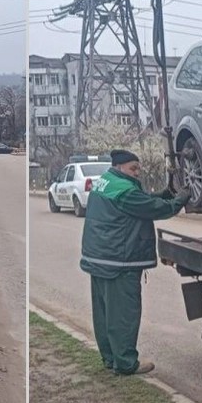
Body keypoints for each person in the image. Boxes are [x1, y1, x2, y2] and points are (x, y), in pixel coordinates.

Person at [80, 149, 189, 375]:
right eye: (133, 168)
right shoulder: (124, 191)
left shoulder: (105, 182)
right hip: (119, 261)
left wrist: (162, 194)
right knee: (123, 315)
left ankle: (110, 358)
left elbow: (142, 201)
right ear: (120, 167)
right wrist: (179, 200)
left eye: (138, 168)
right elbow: (153, 209)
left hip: (99, 258)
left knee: (104, 313)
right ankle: (126, 363)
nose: (137, 173)